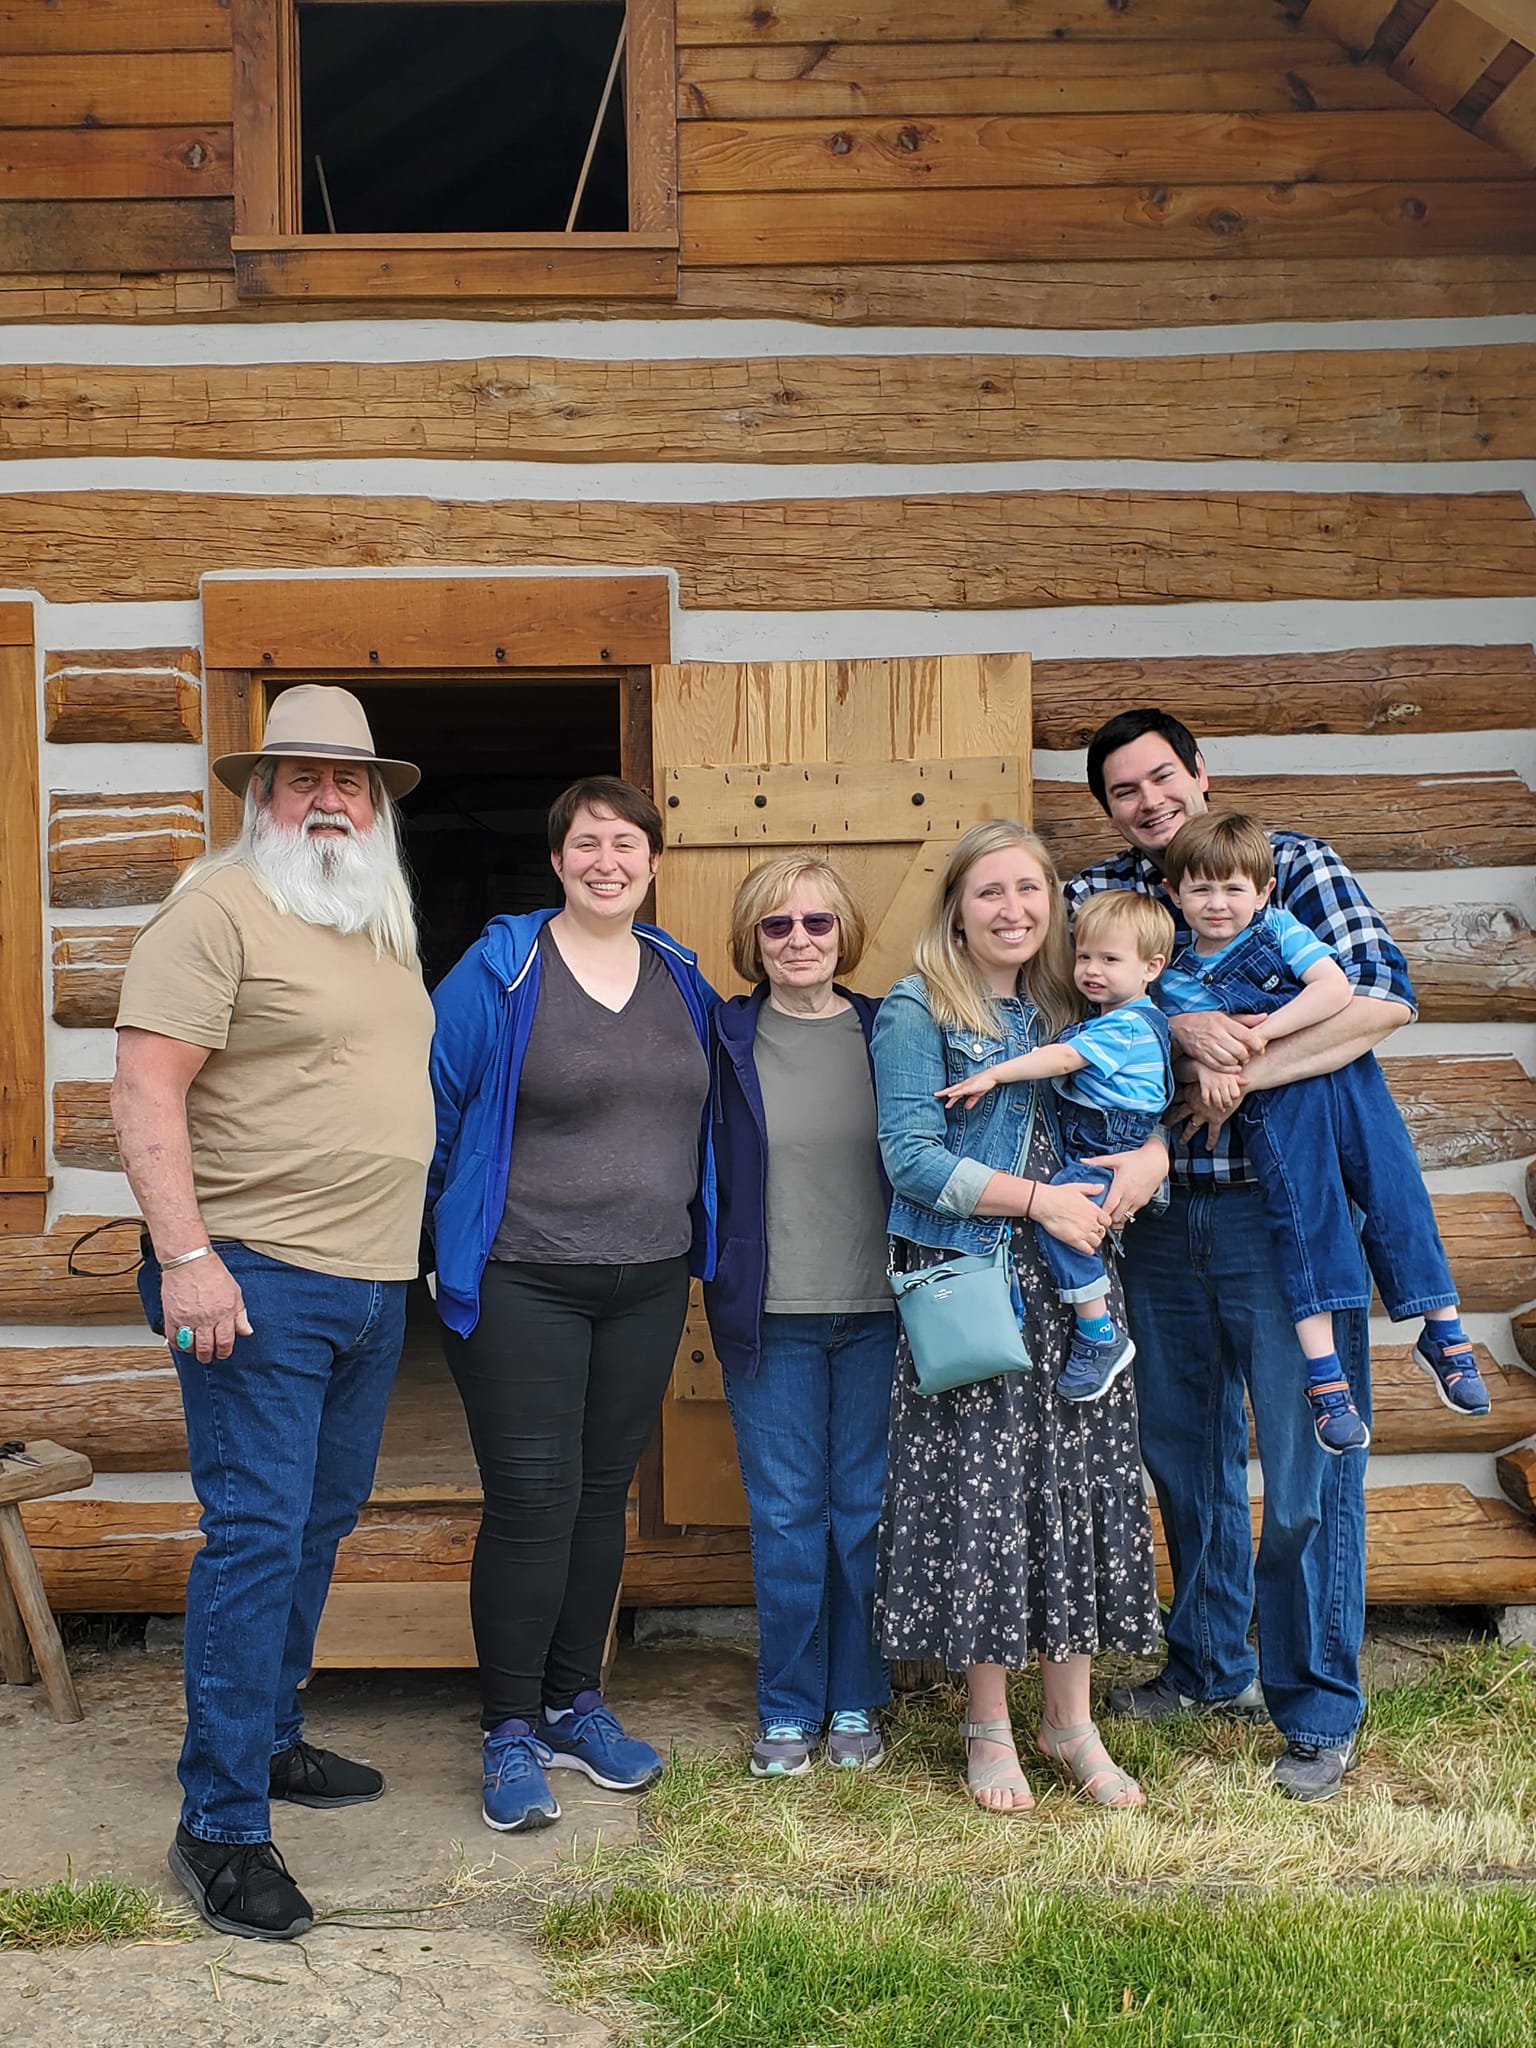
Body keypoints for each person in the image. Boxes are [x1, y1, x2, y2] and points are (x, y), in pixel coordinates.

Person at [110, 685, 434, 1941]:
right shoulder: (216, 909)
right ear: (262, 799)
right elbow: (144, 1087)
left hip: (366, 1279)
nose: (329, 799)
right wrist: (185, 1254)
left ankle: (273, 1733)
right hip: (252, 1276)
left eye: (348, 782)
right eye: (302, 778)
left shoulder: (373, 918)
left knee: (317, 1519)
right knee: (255, 1531)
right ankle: (221, 1827)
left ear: (376, 803)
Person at [1066, 707, 1418, 1802]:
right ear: (1110, 807)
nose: (1150, 800)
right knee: (1184, 1450)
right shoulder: (1097, 895)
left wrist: (1243, 1069)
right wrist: (1177, 1027)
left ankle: (1315, 1706)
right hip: (1163, 1215)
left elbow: (1381, 997)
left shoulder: (1290, 864)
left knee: (1311, 1466)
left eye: (1163, 776)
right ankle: (1208, 1662)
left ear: (1201, 772)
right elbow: (1074, 1003)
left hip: (1284, 1218)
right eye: (1125, 789)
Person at [428, 776, 718, 1835]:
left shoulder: (680, 973)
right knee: (533, 1497)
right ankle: (508, 1726)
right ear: (557, 860)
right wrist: (438, 1236)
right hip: (523, 1274)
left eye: (626, 842)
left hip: (647, 1274)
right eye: (586, 843)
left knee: (602, 1495)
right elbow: (434, 1103)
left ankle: (573, 1702)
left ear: (652, 858)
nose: (607, 859)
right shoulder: (503, 968)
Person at [872, 820, 1166, 1814]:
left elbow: (1139, 1107)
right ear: (955, 904)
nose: (1014, 909)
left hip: (1077, 1288)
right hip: (976, 1283)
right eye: (990, 891)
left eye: (1030, 890)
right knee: (987, 1497)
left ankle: (1070, 1719)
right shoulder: (919, 1007)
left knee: (1073, 1489)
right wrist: (1039, 1199)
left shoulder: (1067, 1003)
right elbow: (911, 1157)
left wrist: (1151, 1162)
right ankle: (989, 1723)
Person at [1157, 811, 1483, 1453]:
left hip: (1347, 1085)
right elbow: (1190, 1051)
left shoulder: (1280, 928)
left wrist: (1259, 1036)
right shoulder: (1175, 972)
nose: (1218, 904)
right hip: (1281, 1111)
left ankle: (1442, 1328)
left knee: (1395, 1186)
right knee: (1309, 1217)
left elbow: (1337, 990)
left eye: (1233, 889)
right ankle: (1325, 1379)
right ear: (1174, 896)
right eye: (1200, 890)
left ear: (1264, 890)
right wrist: (1212, 1066)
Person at [705, 854, 896, 1778]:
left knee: (861, 1514)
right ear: (752, 940)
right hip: (769, 1314)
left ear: (844, 934)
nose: (799, 941)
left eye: (818, 924)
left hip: (882, 1312)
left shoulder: (888, 1028)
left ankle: (858, 1695)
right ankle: (786, 1706)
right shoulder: (724, 1036)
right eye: (777, 927)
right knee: (786, 1517)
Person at [937, 889, 1174, 1403]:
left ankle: (1098, 1332)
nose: (1091, 969)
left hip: (1111, 1140)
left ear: (1152, 967)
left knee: (1064, 1209)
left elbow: (1063, 1060)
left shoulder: (1127, 1027)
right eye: (1084, 956)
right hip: (1104, 1136)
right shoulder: (1113, 1017)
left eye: (1110, 959)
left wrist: (994, 1074)